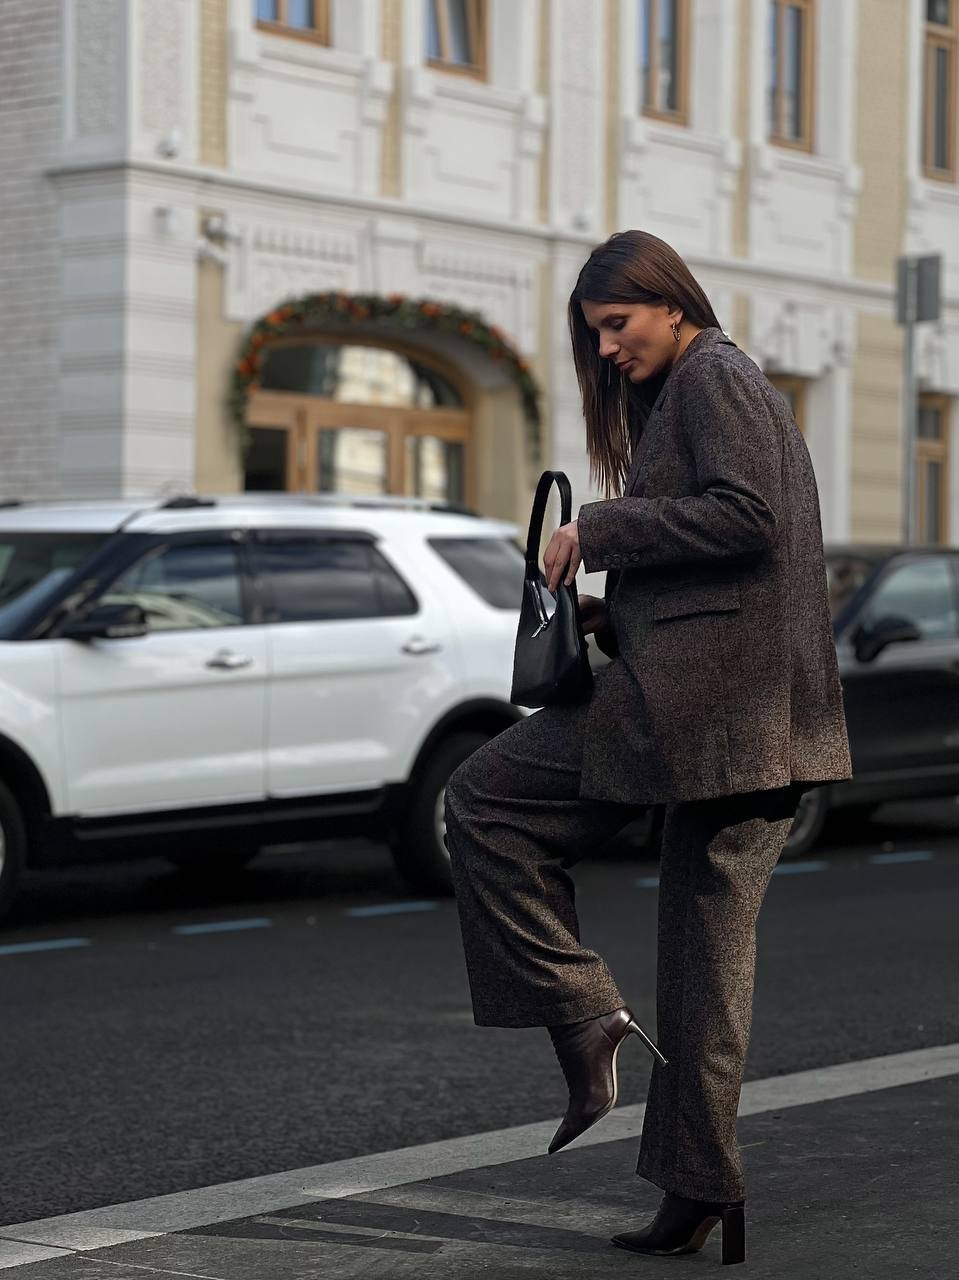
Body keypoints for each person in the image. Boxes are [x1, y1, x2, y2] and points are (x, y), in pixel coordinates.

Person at [443, 229, 852, 1266]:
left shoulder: (714, 378)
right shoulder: (712, 386)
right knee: (703, 970)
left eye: (616, 325)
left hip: (705, 716)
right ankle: (699, 1187)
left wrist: (601, 531)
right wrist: (602, 616)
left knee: (485, 803)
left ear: (670, 302)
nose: (609, 349)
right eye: (596, 335)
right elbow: (729, 568)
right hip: (738, 720)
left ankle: (582, 1014)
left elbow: (744, 519)